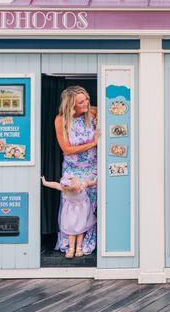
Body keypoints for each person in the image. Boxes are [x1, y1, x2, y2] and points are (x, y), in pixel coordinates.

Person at [54, 86, 99, 255]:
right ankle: (70, 244)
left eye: (87, 99)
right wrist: (93, 144)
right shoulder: (61, 120)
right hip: (72, 170)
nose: (86, 103)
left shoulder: (92, 113)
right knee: (72, 207)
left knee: (90, 207)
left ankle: (86, 243)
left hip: (92, 168)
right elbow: (67, 149)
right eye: (81, 101)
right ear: (71, 104)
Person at [41, 175, 96, 258]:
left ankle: (71, 249)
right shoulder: (82, 186)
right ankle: (78, 249)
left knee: (71, 232)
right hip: (82, 212)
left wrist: (45, 182)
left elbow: (55, 185)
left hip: (70, 213)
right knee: (80, 231)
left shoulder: (65, 189)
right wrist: (96, 180)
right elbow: (91, 183)